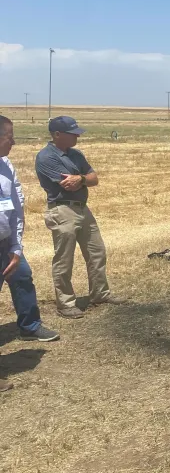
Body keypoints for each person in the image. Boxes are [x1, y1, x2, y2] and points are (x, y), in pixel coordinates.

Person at [35, 116, 125, 319]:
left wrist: (82, 178)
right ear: (57, 134)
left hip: (82, 208)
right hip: (62, 210)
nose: (77, 136)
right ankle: (66, 304)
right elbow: (67, 184)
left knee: (97, 252)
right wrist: (83, 179)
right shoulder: (46, 157)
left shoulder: (76, 154)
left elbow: (94, 179)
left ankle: (100, 294)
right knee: (64, 259)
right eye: (72, 133)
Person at [0, 116, 59, 393]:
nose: (13, 141)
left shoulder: (6, 165)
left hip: (6, 245)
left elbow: (15, 207)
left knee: (22, 276)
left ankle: (29, 326)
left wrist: (15, 246)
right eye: (9, 135)